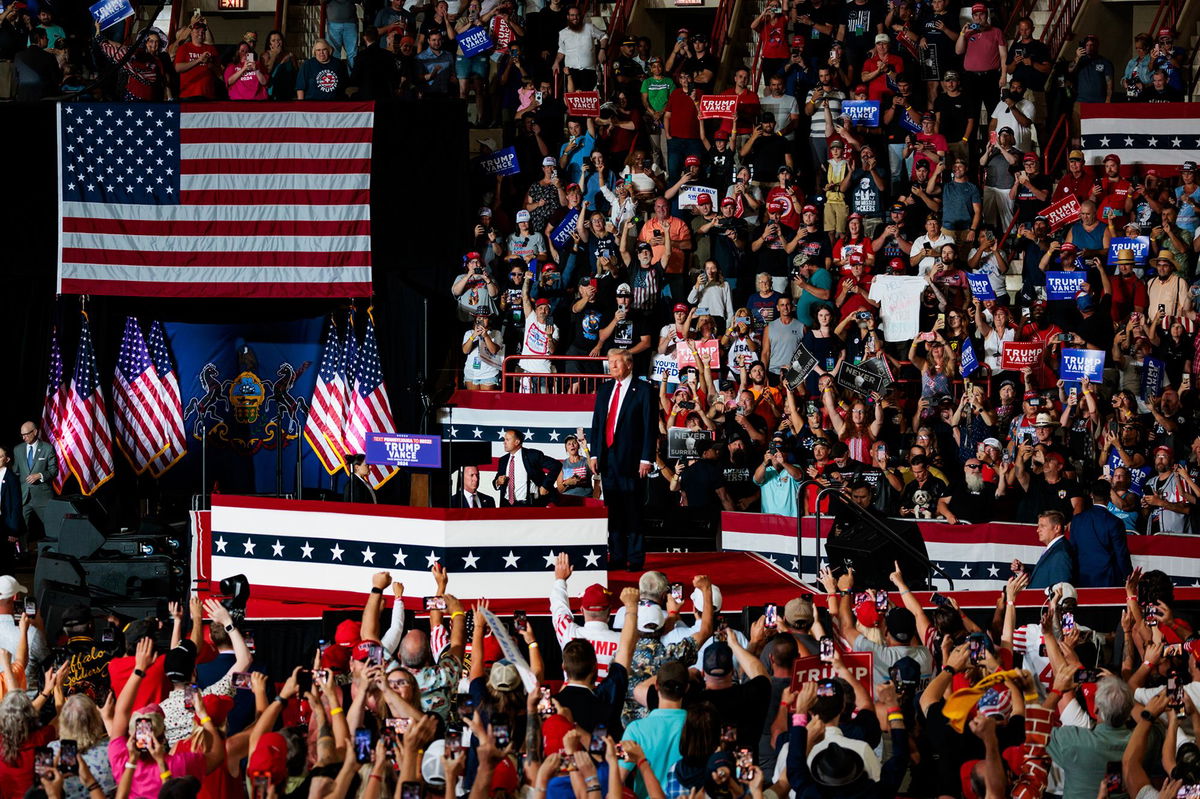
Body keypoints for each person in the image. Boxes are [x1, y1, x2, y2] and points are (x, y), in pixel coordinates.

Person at [590, 349, 656, 571]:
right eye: (610, 362)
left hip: (632, 460)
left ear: (629, 365)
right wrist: (595, 453)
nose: (612, 366)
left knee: (633, 509)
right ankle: (617, 556)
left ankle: (635, 558)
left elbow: (649, 427)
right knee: (614, 510)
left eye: (616, 362)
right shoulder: (606, 389)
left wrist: (646, 458)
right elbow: (597, 423)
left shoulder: (644, 390)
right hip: (608, 460)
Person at [1070, 480, 1132, 586]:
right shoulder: (1115, 522)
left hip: (1082, 577)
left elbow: (1072, 550)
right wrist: (1129, 576)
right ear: (1109, 497)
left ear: (1091, 495)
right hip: (1107, 579)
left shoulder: (1077, 519)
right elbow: (1121, 555)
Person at [494, 429, 561, 507]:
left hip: (528, 505)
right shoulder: (503, 460)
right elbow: (495, 481)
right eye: (504, 439)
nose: (504, 442)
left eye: (507, 439)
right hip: (506, 505)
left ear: (517, 442)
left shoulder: (532, 455)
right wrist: (498, 482)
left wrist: (546, 486)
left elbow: (556, 465)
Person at [1013, 509, 1076, 589]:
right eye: (1038, 526)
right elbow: (1044, 577)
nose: (1038, 530)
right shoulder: (1056, 549)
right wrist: (1023, 570)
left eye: (1042, 526)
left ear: (1057, 528)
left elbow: (1060, 590)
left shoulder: (1061, 553)